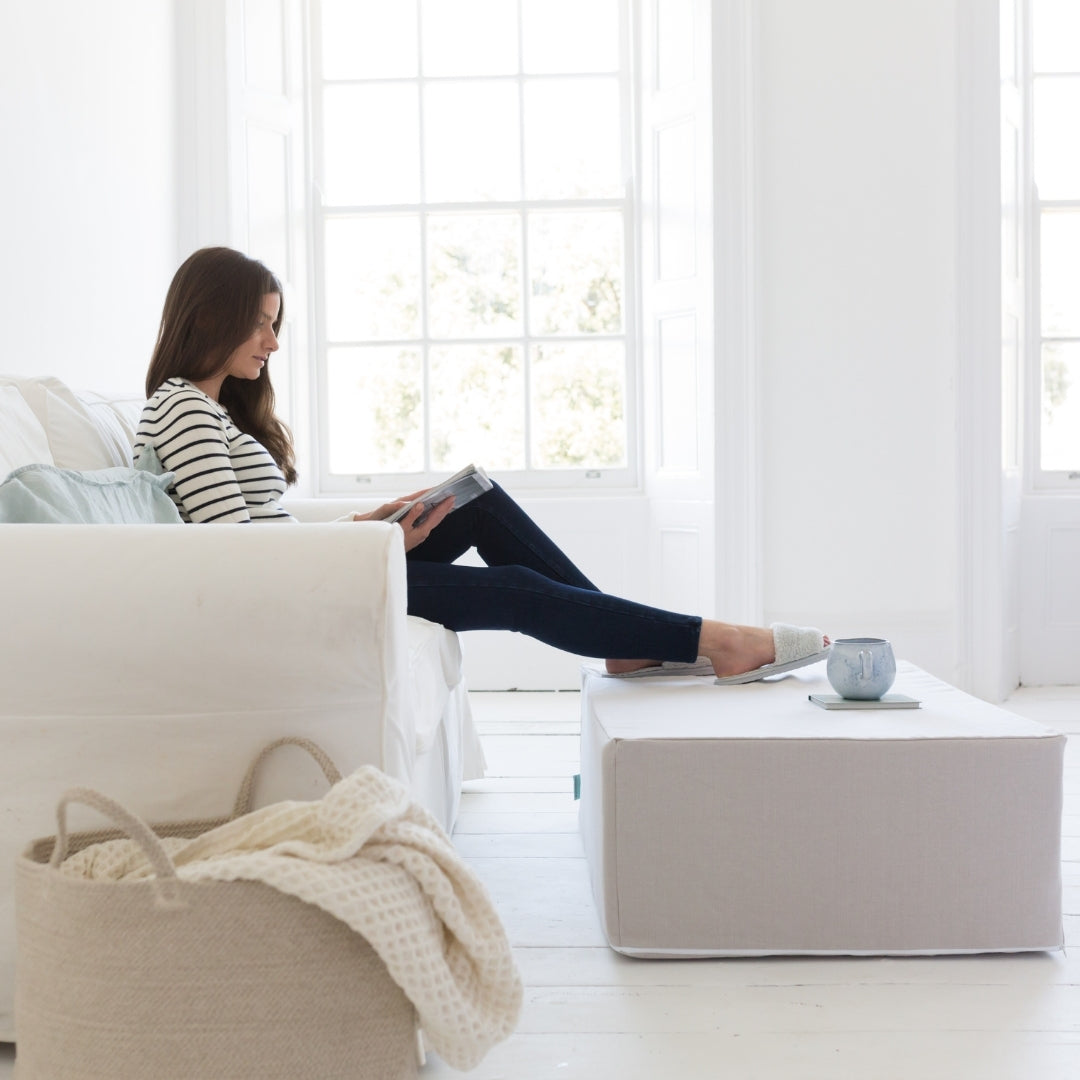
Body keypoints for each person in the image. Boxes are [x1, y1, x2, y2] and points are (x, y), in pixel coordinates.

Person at [135, 247, 829, 682]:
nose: (272, 343)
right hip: (298, 594)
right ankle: (724, 640)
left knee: (477, 499)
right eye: (260, 323)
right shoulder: (184, 408)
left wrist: (368, 521)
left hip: (316, 570)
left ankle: (630, 642)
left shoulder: (209, 409)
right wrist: (368, 540)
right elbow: (236, 554)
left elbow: (262, 529)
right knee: (516, 588)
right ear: (208, 318)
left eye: (275, 324)